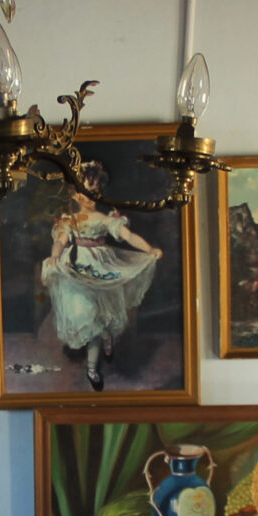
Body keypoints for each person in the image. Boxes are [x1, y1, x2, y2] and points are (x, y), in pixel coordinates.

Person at [39, 162, 162, 390]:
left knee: (104, 314)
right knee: (89, 318)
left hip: (102, 266)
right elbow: (60, 241)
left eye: (93, 192)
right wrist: (55, 255)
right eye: (84, 192)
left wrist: (149, 249)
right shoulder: (70, 220)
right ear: (75, 194)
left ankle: (102, 347)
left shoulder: (105, 219)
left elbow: (128, 236)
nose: (89, 198)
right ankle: (93, 367)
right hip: (77, 268)